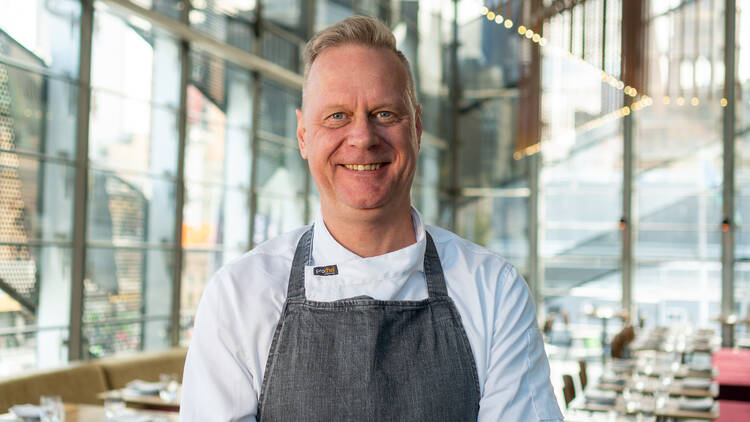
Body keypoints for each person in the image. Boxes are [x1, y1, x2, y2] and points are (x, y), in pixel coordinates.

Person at [180, 15, 563, 422]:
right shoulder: (240, 296)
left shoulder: (494, 292)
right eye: (337, 116)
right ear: (303, 136)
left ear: (416, 126)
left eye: (384, 114)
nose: (362, 137)